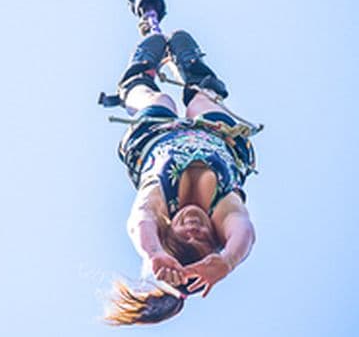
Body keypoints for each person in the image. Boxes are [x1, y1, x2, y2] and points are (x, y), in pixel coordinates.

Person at [103, 30, 257, 325]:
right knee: (203, 102)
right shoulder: (224, 208)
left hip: (155, 136)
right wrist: (227, 261)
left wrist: (154, 253)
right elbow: (245, 231)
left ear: (167, 229)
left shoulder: (158, 203)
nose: (193, 230)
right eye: (201, 240)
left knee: (157, 100)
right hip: (217, 136)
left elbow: (140, 219)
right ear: (216, 238)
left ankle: (136, 78)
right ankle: (197, 75)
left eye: (182, 237)